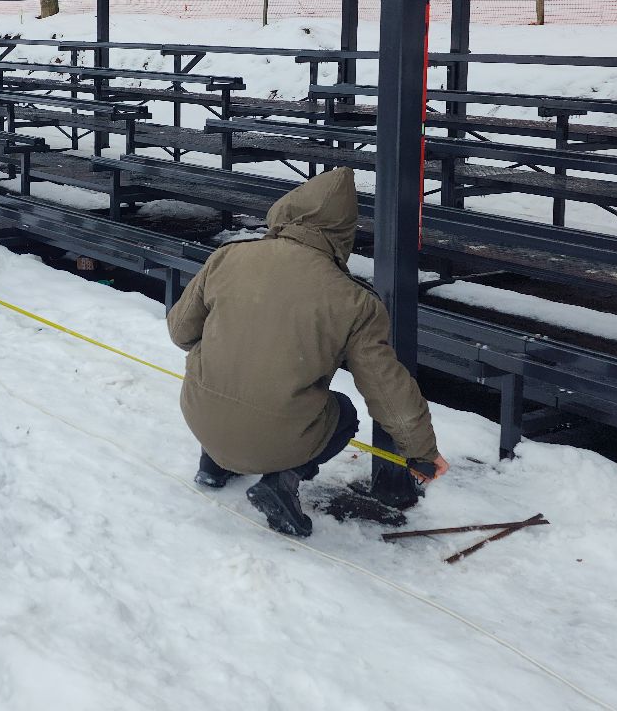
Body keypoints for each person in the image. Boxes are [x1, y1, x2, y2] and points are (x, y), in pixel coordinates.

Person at [167, 167, 448, 537]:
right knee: (343, 413)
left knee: (233, 374)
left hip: (199, 414)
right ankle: (281, 481)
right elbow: (385, 388)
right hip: (277, 436)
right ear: (343, 232)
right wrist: (421, 451)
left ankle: (215, 465)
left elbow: (180, 332)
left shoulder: (228, 257)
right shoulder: (355, 300)